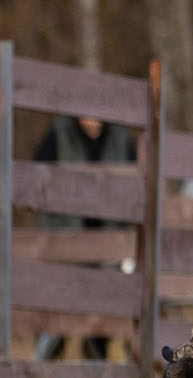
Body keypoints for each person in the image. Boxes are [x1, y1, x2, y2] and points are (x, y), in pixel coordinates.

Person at [32, 114, 138, 361]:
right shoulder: (59, 134)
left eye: (100, 115)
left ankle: (98, 362)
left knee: (105, 312)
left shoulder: (121, 139)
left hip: (110, 246)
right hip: (66, 244)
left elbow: (134, 190)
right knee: (56, 314)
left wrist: (124, 237)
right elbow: (37, 184)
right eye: (88, 116)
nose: (94, 121)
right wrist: (55, 232)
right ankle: (42, 366)